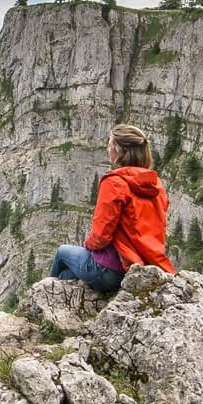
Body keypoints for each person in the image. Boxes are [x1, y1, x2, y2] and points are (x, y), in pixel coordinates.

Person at [49, 124, 176, 293]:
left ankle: (42, 296)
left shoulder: (114, 182)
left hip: (111, 270)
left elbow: (101, 235)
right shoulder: (156, 185)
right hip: (141, 268)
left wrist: (88, 245)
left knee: (62, 252)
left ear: (119, 150)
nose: (107, 150)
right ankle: (58, 295)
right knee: (66, 275)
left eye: (110, 145)